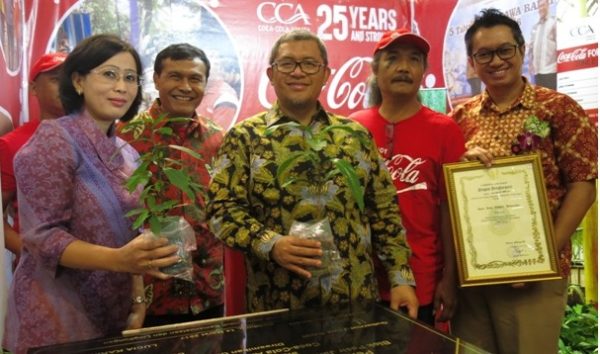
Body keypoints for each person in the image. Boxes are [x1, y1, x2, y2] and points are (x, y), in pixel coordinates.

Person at [206, 29, 418, 315]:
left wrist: (400, 278)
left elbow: (384, 211)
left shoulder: (353, 136)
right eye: (287, 64)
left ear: (326, 74)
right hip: (277, 306)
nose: (298, 72)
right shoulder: (245, 138)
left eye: (309, 64)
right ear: (270, 73)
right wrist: (270, 243)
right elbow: (221, 211)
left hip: (355, 305)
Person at [3, 34, 180, 354]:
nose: (121, 87)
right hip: (57, 316)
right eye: (109, 74)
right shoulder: (54, 140)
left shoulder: (127, 152)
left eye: (129, 78)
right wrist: (117, 259)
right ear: (78, 81)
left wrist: (137, 298)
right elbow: (42, 237)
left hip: (112, 312)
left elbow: (132, 236)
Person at [450, 9, 597, 354]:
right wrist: (460, 163)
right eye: (484, 54)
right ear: (472, 62)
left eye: (505, 50)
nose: (496, 61)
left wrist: (541, 256)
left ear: (521, 50)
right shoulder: (458, 117)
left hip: (535, 275)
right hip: (475, 271)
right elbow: (449, 190)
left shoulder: (559, 109)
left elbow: (583, 186)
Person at [349, 29, 465, 327]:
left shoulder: (444, 130)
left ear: (424, 70)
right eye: (392, 59)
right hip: (360, 277)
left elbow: (450, 211)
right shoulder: (352, 128)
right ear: (375, 69)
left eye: (414, 59)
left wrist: (450, 278)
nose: (403, 67)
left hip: (422, 278)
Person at [118, 43, 225, 326]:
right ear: (156, 79)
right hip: (148, 295)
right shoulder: (125, 137)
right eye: (175, 76)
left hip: (209, 292)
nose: (185, 86)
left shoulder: (218, 140)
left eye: (195, 79)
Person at [1, 52, 66, 263]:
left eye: (73, 79)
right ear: (34, 89)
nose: (67, 86)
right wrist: (30, 252)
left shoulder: (97, 138)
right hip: (37, 276)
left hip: (96, 270)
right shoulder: (12, 144)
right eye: (56, 79)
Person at [529, 0, 557, 90]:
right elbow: (531, 47)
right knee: (542, 101)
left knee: (552, 100)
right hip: (538, 72)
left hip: (550, 71)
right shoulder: (536, 27)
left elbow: (559, 45)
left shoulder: (554, 23)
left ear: (548, 5)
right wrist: (530, 64)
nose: (541, 8)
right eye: (539, 6)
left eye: (543, 5)